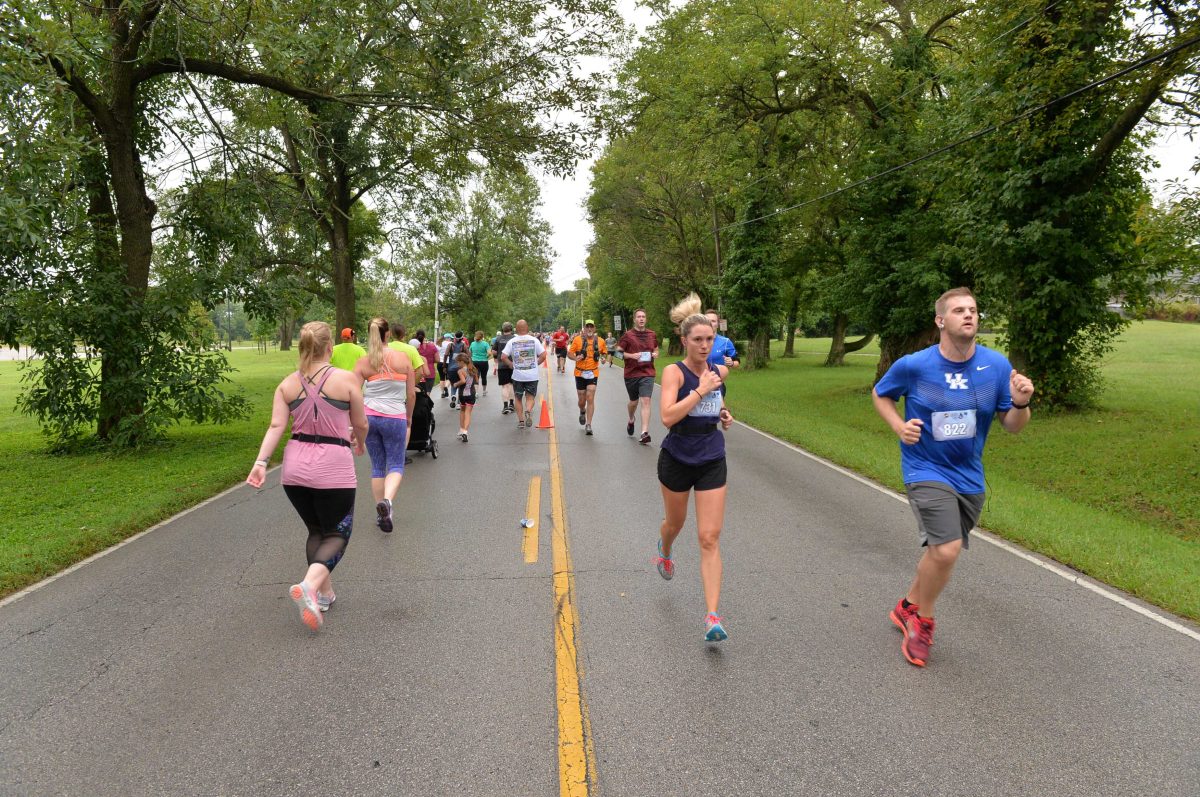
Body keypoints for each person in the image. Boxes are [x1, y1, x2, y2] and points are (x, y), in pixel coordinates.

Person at [872, 287, 1034, 668]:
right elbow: (880, 394)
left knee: (939, 552)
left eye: (973, 310)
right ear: (940, 320)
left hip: (969, 477)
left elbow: (1012, 425)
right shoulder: (915, 365)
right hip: (924, 468)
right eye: (959, 310)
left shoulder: (996, 366)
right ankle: (922, 621)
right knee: (946, 549)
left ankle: (907, 606)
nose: (969, 315)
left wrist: (1022, 402)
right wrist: (898, 426)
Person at [247, 321, 368, 631]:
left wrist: (261, 462)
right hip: (333, 466)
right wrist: (360, 441)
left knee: (316, 529)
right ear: (329, 348)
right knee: (338, 533)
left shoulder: (287, 384)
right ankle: (309, 586)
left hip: (295, 469)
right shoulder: (346, 380)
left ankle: (323, 595)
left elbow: (276, 426)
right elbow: (361, 423)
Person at [652, 294, 735, 642]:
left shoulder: (716, 372)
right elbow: (667, 417)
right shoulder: (674, 372)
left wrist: (724, 414)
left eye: (709, 339)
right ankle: (665, 548)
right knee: (676, 524)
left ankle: (712, 617)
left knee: (709, 537)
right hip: (677, 458)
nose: (704, 345)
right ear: (684, 340)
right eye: (698, 339)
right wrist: (700, 391)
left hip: (711, 457)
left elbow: (716, 404)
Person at [354, 317, 417, 534]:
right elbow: (411, 394)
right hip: (395, 416)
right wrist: (408, 417)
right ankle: (387, 502)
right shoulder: (403, 358)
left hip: (370, 417)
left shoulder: (363, 362)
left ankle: (380, 512)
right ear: (388, 333)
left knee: (378, 466)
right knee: (396, 464)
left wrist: (354, 423)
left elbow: (353, 394)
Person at [617, 308, 660, 444]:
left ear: (646, 319)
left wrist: (656, 354)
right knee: (633, 402)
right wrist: (631, 356)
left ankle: (644, 432)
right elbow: (617, 353)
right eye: (639, 317)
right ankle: (631, 419)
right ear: (634, 319)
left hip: (647, 373)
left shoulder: (652, 334)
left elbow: (656, 348)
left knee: (646, 401)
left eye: (643, 317)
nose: (641, 319)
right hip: (631, 373)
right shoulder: (628, 336)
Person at [501, 319, 547, 429]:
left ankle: (521, 421)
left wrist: (511, 365)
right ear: (527, 328)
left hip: (518, 376)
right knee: (530, 398)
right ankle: (528, 410)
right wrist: (535, 364)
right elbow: (543, 355)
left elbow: (503, 357)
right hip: (532, 375)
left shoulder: (512, 341)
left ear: (516, 329)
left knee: (518, 398)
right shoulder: (534, 340)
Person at [568, 319, 607, 436]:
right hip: (579, 372)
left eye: (591, 327)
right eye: (587, 327)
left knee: (590, 397)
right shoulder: (577, 340)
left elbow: (604, 352)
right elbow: (569, 353)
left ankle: (589, 424)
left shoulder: (600, 341)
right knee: (582, 400)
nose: (589, 329)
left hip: (593, 372)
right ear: (584, 328)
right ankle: (582, 410)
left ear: (594, 328)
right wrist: (575, 358)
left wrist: (603, 358)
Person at [451, 353, 478, 442]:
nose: (457, 364)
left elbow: (463, 381)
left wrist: (456, 384)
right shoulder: (473, 369)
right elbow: (477, 381)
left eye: (458, 362)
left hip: (462, 394)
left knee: (462, 411)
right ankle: (465, 432)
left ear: (462, 362)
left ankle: (461, 429)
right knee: (468, 413)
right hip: (471, 393)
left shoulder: (460, 371)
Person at [493, 322, 517, 415]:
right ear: (511, 329)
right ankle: (511, 404)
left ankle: (505, 406)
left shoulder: (498, 339)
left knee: (504, 386)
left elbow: (494, 352)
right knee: (512, 385)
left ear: (502, 329)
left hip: (502, 365)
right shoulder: (514, 338)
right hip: (513, 365)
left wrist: (498, 355)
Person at [414, 329, 439, 395]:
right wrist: (430, 360)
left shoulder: (415, 347)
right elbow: (437, 360)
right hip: (430, 372)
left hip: (418, 372)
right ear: (424, 336)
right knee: (427, 393)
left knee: (417, 392)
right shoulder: (432, 346)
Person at [470, 330, 491, 397]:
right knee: (484, 376)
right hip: (484, 362)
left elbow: (470, 353)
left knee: (476, 376)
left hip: (475, 362)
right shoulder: (485, 344)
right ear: (482, 336)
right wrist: (486, 357)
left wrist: (472, 358)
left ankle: (476, 392)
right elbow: (489, 353)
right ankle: (484, 391)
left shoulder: (472, 343)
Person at [438, 333, 454, 398]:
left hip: (440, 362)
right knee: (449, 378)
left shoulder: (439, 344)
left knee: (441, 378)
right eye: (451, 338)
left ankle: (442, 393)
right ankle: (446, 387)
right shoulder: (451, 344)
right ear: (448, 338)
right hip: (448, 362)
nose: (451, 339)